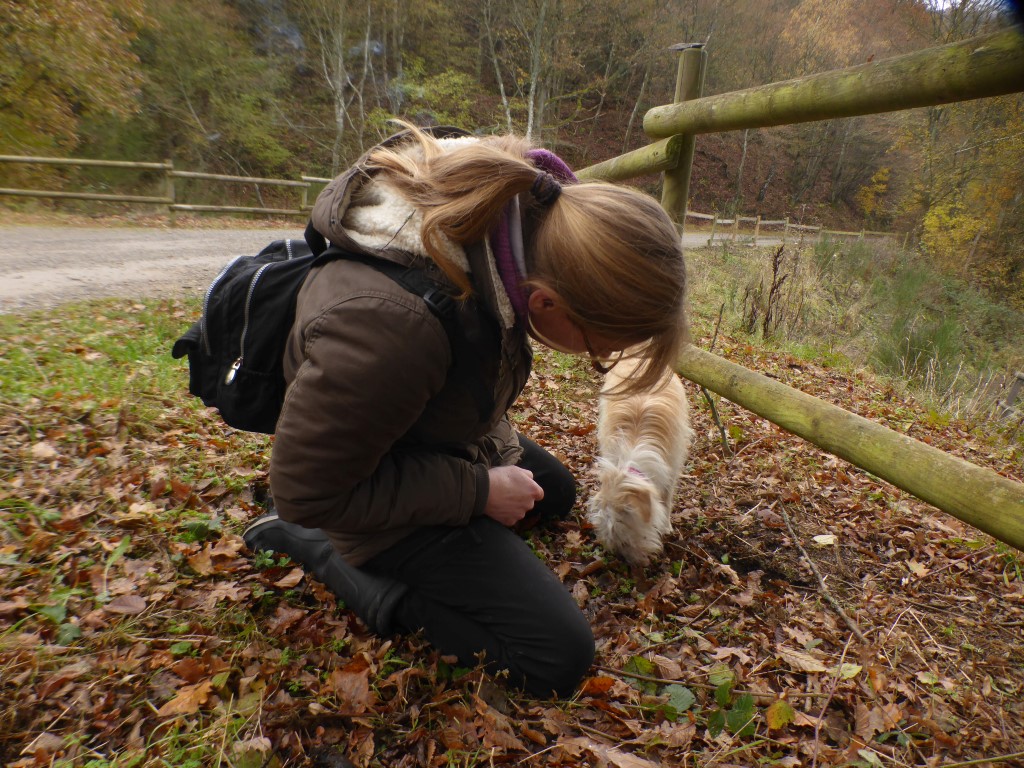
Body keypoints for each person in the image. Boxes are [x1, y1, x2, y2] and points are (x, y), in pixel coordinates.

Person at [243, 124, 688, 698]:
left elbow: (469, 371)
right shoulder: (391, 327)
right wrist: (478, 490)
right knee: (557, 657)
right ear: (547, 302)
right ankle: (322, 552)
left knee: (554, 492)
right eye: (599, 345)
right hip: (343, 495)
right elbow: (309, 489)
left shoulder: (510, 237)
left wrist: (494, 469)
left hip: (419, 428)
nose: (596, 358)